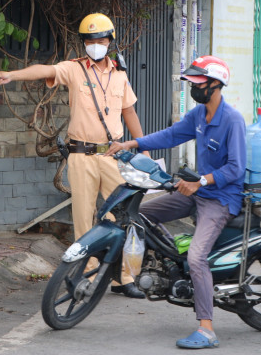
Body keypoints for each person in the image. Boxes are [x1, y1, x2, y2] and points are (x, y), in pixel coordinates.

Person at [0, 13, 147, 299]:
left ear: (109, 41)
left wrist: (144, 148)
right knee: (84, 219)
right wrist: (11, 74)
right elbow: (43, 70)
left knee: (121, 216)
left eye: (100, 39)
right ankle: (87, 275)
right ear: (83, 43)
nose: (95, 44)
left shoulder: (120, 74)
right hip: (81, 155)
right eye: (89, 40)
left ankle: (124, 278)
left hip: (112, 155)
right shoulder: (75, 70)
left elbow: (129, 112)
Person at [104, 55, 246, 348]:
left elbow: (236, 168)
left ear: (216, 84)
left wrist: (201, 182)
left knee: (197, 257)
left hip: (220, 198)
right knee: (140, 214)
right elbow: (170, 136)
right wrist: (132, 143)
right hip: (195, 193)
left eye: (198, 82)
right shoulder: (198, 114)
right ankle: (173, 257)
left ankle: (206, 329)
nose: (194, 87)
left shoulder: (232, 120)